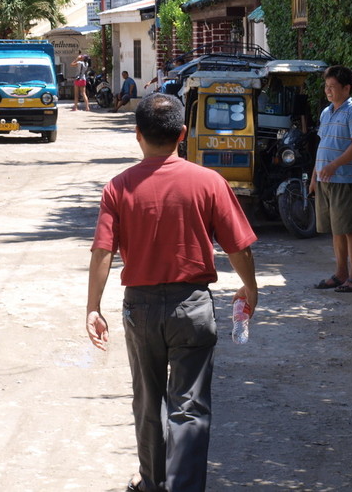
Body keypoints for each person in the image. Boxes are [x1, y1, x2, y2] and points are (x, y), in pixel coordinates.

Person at [86, 93, 258, 492]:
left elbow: (102, 251)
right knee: (190, 407)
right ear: (183, 134)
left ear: (138, 135)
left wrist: (93, 306)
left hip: (141, 309)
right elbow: (239, 247)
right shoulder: (209, 182)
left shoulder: (118, 187)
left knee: (148, 401)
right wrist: (249, 289)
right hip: (192, 306)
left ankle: (152, 483)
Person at [309, 65, 352, 292]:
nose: (328, 91)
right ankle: (340, 273)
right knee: (336, 229)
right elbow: (322, 146)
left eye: (333, 87)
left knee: (350, 229)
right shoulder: (326, 112)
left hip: (345, 180)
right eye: (326, 86)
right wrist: (315, 176)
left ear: (347, 88)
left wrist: (334, 165)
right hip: (325, 181)